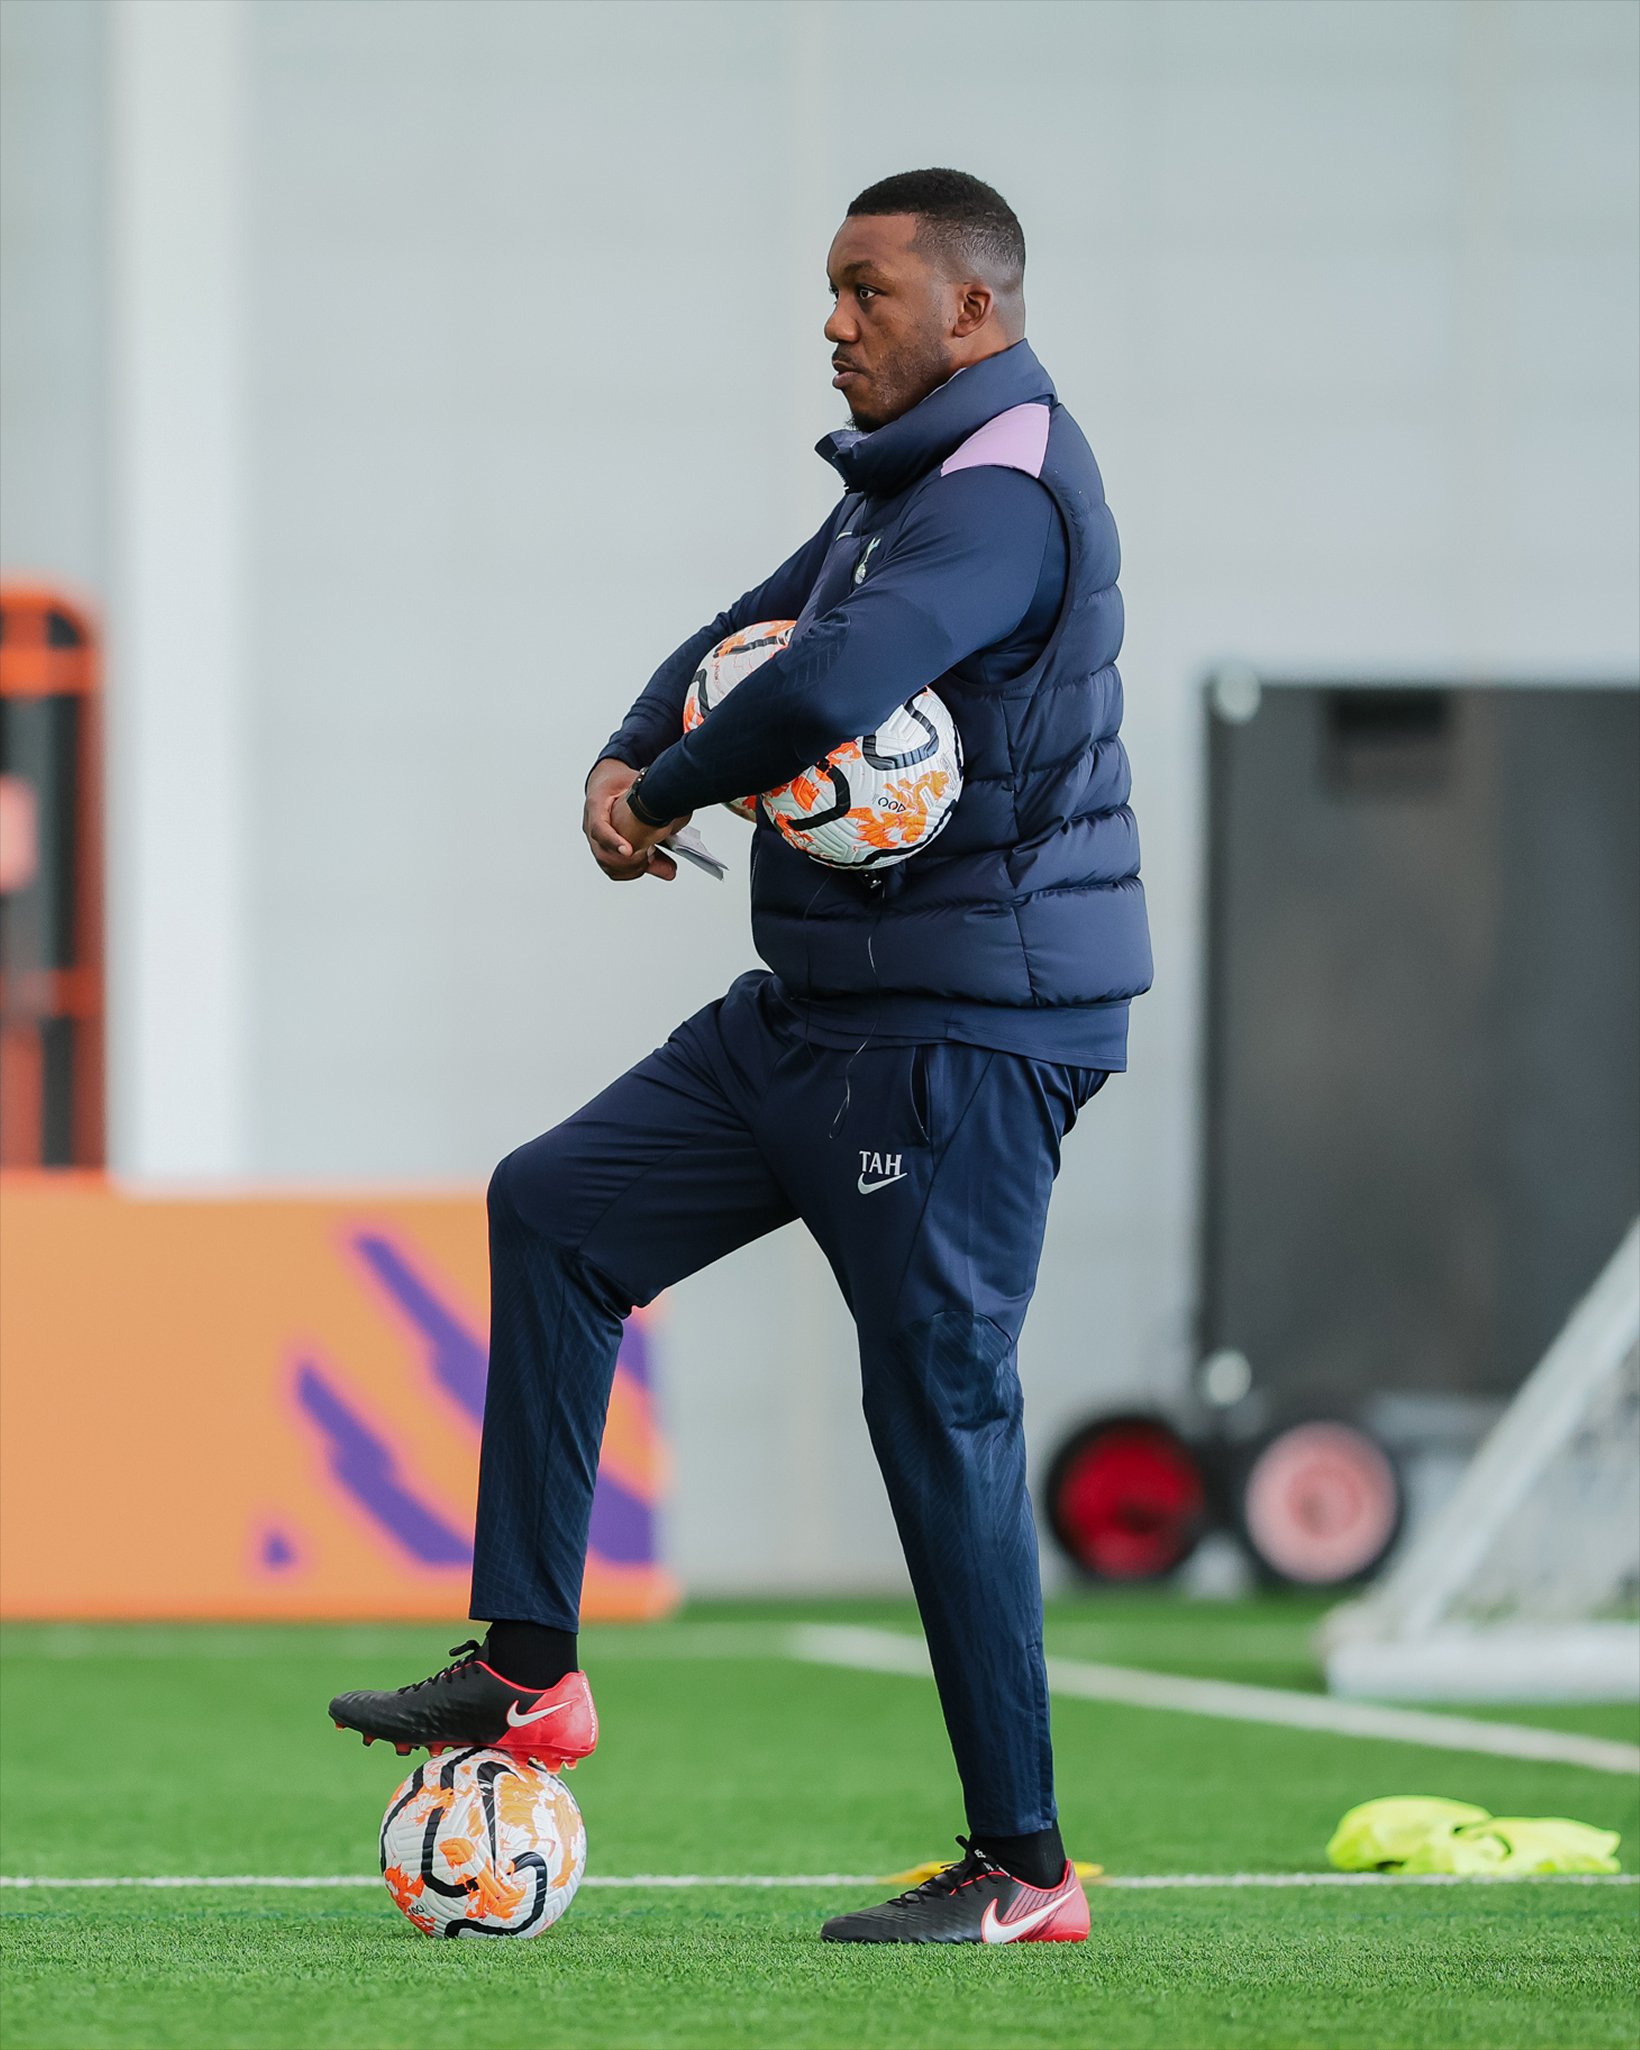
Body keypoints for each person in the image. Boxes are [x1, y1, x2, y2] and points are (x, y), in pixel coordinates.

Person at [329, 167, 1150, 1946]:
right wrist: (631, 756)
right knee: (555, 1210)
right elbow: (745, 634)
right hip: (815, 1016)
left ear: (975, 315)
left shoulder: (1002, 498)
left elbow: (836, 684)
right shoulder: (901, 488)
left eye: (868, 291)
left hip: (963, 1040)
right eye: (832, 290)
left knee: (937, 1413)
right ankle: (532, 1670)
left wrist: (679, 786)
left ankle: (1025, 1866)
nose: (834, 321)